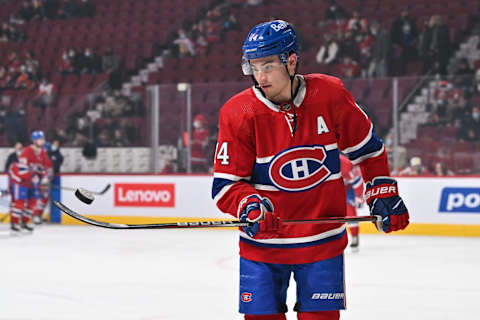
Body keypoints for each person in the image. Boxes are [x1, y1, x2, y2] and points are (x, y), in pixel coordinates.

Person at [211, 20, 410, 320]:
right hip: (263, 248)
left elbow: (369, 150)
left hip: (322, 244)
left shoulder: (330, 95)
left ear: (291, 62)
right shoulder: (238, 113)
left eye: (267, 66)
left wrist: (381, 189)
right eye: (253, 67)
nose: (259, 76)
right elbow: (226, 186)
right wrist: (249, 204)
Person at [8, 130, 52, 232]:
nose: (42, 141)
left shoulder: (42, 152)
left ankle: (25, 222)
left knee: (33, 202)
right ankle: (14, 223)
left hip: (33, 184)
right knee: (20, 203)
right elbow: (22, 169)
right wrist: (33, 176)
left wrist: (44, 177)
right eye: (39, 139)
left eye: (42, 139)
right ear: (34, 140)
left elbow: (46, 166)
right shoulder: (27, 151)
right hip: (22, 182)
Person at [340, 154, 364, 250]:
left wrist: (359, 197)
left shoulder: (345, 164)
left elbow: (357, 181)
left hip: (347, 189)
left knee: (350, 211)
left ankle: (354, 236)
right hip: (331, 189)